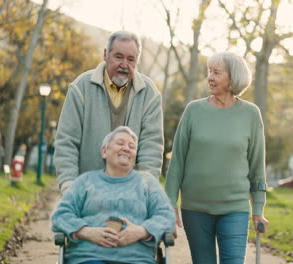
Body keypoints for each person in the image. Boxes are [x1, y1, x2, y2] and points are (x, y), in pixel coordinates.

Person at [165, 52, 269, 264]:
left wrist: (258, 207)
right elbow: (177, 162)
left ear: (233, 78)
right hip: (195, 208)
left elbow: (257, 166)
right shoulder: (194, 110)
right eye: (209, 72)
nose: (210, 77)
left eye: (216, 73)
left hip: (234, 208)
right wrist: (169, 203)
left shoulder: (250, 114)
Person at [54, 30, 163, 194]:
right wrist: (69, 186)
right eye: (118, 57)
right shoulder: (81, 87)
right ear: (106, 54)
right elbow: (66, 142)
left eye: (131, 59)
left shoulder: (150, 94)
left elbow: (151, 148)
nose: (124, 64)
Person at [52, 126, 175, 264]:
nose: (126, 148)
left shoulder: (147, 183)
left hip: (135, 259)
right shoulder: (85, 181)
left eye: (132, 146)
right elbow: (60, 215)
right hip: (89, 257)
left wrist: (141, 231)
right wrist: (86, 232)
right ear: (104, 151)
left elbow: (167, 217)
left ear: (135, 157)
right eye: (120, 143)